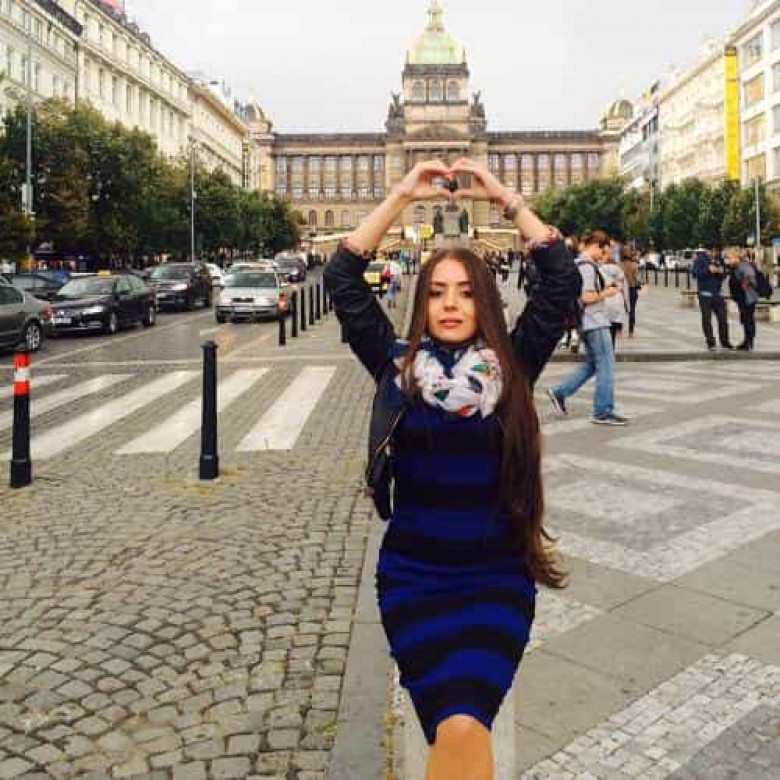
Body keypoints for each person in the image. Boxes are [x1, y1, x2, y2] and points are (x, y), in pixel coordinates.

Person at [324, 158, 580, 780]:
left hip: (495, 579)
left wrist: (502, 196)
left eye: (465, 291)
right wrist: (400, 196)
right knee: (455, 730)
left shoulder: (514, 364)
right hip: (415, 579)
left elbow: (560, 278)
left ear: (484, 299)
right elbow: (342, 277)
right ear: (422, 301)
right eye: (437, 292)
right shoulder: (395, 367)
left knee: (463, 725)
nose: (450, 304)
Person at [547, 230, 629, 425]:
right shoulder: (587, 266)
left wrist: (606, 289)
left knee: (593, 364)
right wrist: (606, 294)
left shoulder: (581, 265)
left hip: (587, 321)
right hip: (595, 321)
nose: (604, 256)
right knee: (606, 365)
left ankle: (560, 392)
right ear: (596, 246)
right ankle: (603, 411)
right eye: (604, 251)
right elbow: (586, 297)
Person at [692, 248, 733, 352]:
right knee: (707, 319)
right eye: (712, 251)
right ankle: (711, 342)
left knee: (723, 319)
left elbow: (725, 272)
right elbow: (695, 274)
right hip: (704, 294)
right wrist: (708, 270)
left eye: (716, 251)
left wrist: (721, 272)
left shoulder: (719, 259)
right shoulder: (700, 259)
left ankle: (725, 342)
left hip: (717, 294)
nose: (714, 253)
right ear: (708, 250)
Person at [725, 247, 758, 351]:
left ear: (736, 257)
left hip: (747, 297)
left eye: (729, 258)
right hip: (742, 297)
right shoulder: (736, 266)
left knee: (748, 319)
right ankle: (747, 341)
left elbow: (750, 275)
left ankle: (749, 342)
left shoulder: (743, 265)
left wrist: (744, 284)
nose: (728, 260)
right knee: (745, 319)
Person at [600, 249, 630, 349]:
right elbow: (625, 290)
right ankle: (611, 349)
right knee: (613, 330)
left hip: (604, 300)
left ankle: (605, 349)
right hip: (617, 300)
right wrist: (627, 307)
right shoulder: (620, 271)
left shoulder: (599, 270)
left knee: (604, 330)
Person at [621, 247, 642, 337]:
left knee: (620, 309)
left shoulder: (619, 265)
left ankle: (619, 330)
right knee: (632, 310)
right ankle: (631, 331)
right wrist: (639, 284)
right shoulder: (634, 265)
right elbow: (637, 279)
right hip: (632, 289)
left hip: (621, 290)